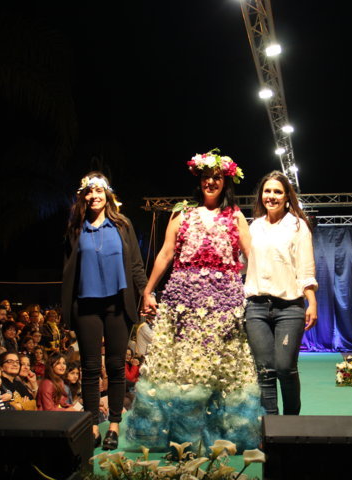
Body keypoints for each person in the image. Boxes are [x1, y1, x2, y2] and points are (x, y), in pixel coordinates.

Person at [128, 150, 260, 452]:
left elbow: (253, 256)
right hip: (183, 303)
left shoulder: (235, 215)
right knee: (184, 367)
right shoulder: (182, 213)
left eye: (217, 177)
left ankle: (222, 435)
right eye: (206, 177)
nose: (211, 182)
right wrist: (147, 291)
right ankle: (181, 436)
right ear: (198, 180)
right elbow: (165, 254)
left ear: (226, 181)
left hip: (224, 305)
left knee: (221, 366)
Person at [62, 171, 148, 450]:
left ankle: (113, 425)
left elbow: (135, 264)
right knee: (89, 368)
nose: (94, 196)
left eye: (99, 191)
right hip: (86, 304)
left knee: (115, 366)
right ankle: (91, 426)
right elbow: (68, 270)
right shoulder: (76, 228)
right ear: (83, 196)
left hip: (117, 304)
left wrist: (147, 292)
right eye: (89, 191)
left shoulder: (122, 225)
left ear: (107, 194)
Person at [244, 170, 318, 417]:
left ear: (287, 196)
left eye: (277, 191)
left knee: (285, 368)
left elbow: (305, 268)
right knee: (265, 371)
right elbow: (243, 263)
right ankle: (271, 427)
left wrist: (312, 302)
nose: (271, 196)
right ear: (261, 195)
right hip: (256, 307)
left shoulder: (297, 226)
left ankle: (291, 424)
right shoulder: (254, 226)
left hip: (289, 307)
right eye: (267, 191)